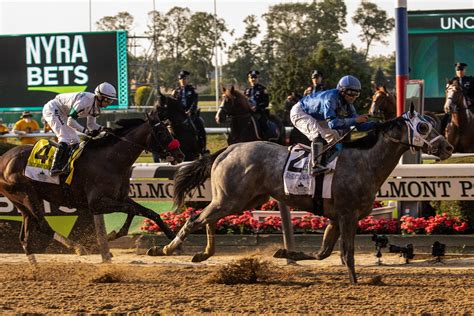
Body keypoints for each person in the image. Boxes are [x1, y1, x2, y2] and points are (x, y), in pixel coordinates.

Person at [290, 75, 375, 174]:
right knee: (317, 135)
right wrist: (356, 120)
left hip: (316, 116)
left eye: (356, 94)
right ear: (341, 90)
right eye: (350, 93)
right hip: (300, 112)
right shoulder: (331, 98)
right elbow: (333, 124)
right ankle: (315, 166)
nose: (353, 97)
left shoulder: (348, 103)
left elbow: (359, 125)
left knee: (336, 137)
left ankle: (327, 162)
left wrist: (376, 125)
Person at [42, 82, 117, 176]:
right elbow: (70, 121)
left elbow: (91, 124)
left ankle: (67, 165)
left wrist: (103, 128)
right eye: (107, 100)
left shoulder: (96, 107)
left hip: (63, 113)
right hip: (53, 109)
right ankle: (54, 167)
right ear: (100, 96)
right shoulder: (85, 101)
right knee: (65, 137)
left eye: (110, 101)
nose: (108, 104)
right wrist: (85, 131)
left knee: (75, 140)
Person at [171, 70, 208, 156]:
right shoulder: (176, 91)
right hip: (179, 115)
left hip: (191, 115)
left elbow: (194, 102)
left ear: (187, 80)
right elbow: (173, 104)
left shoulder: (192, 90)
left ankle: (202, 148)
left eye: (185, 79)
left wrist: (190, 111)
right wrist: (172, 96)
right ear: (179, 80)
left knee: (200, 125)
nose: (183, 81)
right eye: (181, 79)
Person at [441, 62, 474, 133]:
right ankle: (442, 133)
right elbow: (448, 94)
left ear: (465, 70)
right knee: (445, 118)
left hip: (470, 104)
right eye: (458, 70)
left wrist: (471, 100)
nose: (459, 72)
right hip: (455, 105)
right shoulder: (452, 81)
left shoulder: (471, 80)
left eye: (461, 70)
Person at [244, 70, 270, 138]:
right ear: (248, 79)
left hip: (259, 113)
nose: (253, 79)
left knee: (264, 125)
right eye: (251, 77)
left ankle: (266, 139)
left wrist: (257, 108)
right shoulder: (246, 90)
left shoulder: (262, 89)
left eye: (255, 77)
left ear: (258, 79)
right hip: (248, 113)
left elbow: (266, 102)